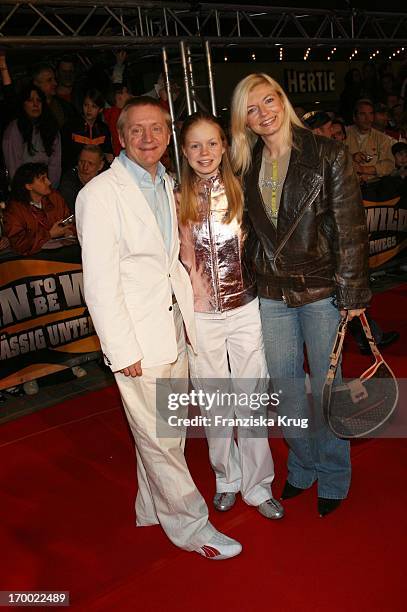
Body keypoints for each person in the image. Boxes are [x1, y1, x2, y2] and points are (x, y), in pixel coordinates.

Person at [75, 96, 242, 559]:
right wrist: (120, 349)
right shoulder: (99, 195)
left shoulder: (168, 182)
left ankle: (151, 506)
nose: (148, 139)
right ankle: (192, 527)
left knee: (165, 431)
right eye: (137, 131)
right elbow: (101, 283)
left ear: (168, 135)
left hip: (173, 330)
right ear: (121, 137)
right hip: (137, 341)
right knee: (162, 442)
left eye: (157, 129)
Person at [230, 73, 371, 517]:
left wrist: (352, 290)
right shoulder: (245, 162)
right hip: (271, 294)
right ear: (245, 121)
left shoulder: (326, 152)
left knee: (327, 390)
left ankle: (332, 473)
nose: (263, 113)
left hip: (321, 290)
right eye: (252, 109)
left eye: (268, 101)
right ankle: (303, 465)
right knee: (288, 392)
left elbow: (350, 226)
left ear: (283, 100)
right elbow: (246, 228)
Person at [177, 111, 284, 520]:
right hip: (201, 317)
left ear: (224, 146)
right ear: (184, 153)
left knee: (252, 400)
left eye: (212, 143)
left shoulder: (244, 188)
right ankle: (227, 479)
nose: (205, 152)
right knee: (215, 404)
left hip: (246, 310)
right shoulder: (175, 198)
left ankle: (259, 486)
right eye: (195, 145)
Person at [3, 162, 73, 256]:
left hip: (62, 251)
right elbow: (19, 244)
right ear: (29, 186)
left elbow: (69, 220)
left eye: (47, 177)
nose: (49, 182)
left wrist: (69, 231)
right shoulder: (15, 210)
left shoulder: (54, 197)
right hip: (32, 259)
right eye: (43, 179)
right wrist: (49, 235)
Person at [2, 84, 61, 188]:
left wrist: (50, 190)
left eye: (39, 100)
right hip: (23, 188)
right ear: (23, 104)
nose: (35, 104)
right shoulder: (14, 129)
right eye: (30, 100)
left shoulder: (50, 127)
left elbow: (55, 165)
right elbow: (14, 168)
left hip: (46, 186)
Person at [345, 98, 395, 182]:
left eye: (371, 114)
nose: (368, 119)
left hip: (373, 185)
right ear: (354, 117)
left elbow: (389, 165)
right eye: (362, 114)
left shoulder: (382, 138)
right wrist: (352, 158)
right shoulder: (344, 133)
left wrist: (363, 169)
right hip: (348, 186)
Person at [65, 89, 113, 169]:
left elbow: (108, 154)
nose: (89, 110)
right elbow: (65, 155)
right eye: (86, 105)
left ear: (100, 110)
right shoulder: (71, 126)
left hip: (97, 172)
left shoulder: (103, 129)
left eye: (94, 106)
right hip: (75, 171)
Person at [59, 145, 104, 212]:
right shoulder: (68, 182)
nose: (85, 167)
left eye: (90, 163)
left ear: (100, 165)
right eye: (82, 162)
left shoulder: (105, 182)